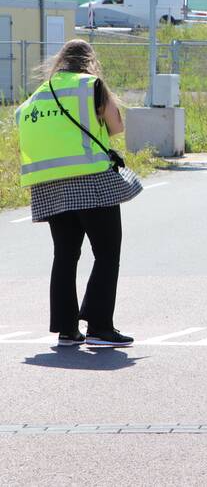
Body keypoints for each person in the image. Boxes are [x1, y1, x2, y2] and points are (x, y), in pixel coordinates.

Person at [15, 39, 140, 347]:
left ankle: (67, 329)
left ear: (60, 61)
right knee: (107, 252)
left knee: (65, 255)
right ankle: (99, 327)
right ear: (90, 60)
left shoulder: (39, 93)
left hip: (48, 183)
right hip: (89, 179)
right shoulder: (91, 85)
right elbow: (116, 125)